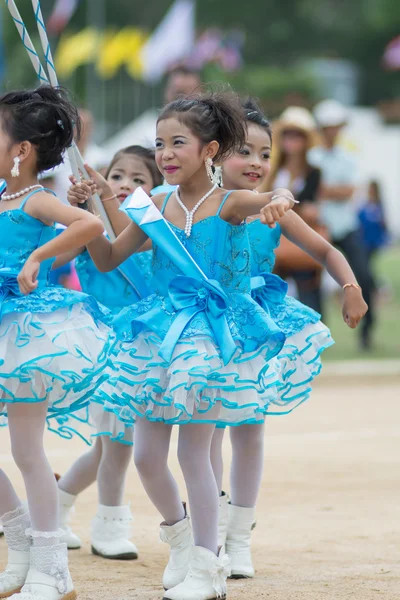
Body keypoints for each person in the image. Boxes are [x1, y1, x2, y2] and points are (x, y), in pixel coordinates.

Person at [78, 91, 366, 600]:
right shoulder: (156, 205)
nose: (164, 153)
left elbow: (291, 223)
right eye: (159, 143)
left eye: (177, 143)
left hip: (212, 340)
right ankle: (185, 542)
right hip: (159, 338)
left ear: (209, 151)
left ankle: (210, 566)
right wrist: (94, 208)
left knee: (196, 453)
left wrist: (349, 285)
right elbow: (105, 258)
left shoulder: (231, 202)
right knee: (145, 455)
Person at [209, 98, 368, 580]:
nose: (256, 163)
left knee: (249, 427)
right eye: (244, 152)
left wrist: (351, 286)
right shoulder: (194, 205)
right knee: (209, 426)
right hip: (207, 322)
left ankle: (238, 537)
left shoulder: (274, 208)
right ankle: (210, 528)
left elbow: (325, 249)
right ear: (213, 155)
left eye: (264, 153)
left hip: (258, 326)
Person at [0, 85, 115, 600]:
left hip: (27, 334)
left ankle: (52, 568)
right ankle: (22, 549)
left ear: (20, 150)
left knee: (28, 453)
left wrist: (35, 258)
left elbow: (88, 222)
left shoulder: (36, 198)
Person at [55, 146, 162, 561]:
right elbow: (58, 256)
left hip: (146, 343)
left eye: (139, 180)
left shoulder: (155, 225)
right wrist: (75, 212)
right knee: (117, 440)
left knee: (107, 445)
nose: (126, 185)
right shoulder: (91, 223)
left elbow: (126, 240)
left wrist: (107, 200)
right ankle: (108, 526)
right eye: (118, 176)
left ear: (157, 190)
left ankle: (53, 506)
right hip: (102, 343)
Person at [310, 99, 375, 349]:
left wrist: (326, 190)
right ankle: (318, 336)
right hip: (319, 227)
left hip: (345, 226)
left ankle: (366, 335)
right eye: (330, 126)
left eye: (337, 126)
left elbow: (348, 191)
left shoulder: (348, 155)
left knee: (364, 277)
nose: (334, 131)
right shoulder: (311, 157)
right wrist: (330, 190)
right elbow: (317, 190)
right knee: (312, 281)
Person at [262, 106, 326, 316]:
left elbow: (311, 207)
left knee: (308, 291)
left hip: (299, 237)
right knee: (269, 292)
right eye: (288, 133)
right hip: (272, 237)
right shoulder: (271, 168)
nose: (292, 139)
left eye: (298, 134)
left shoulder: (313, 172)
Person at [358, 180, 388, 263]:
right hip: (364, 239)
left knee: (372, 262)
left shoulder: (379, 205)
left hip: (374, 240)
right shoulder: (364, 204)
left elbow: (383, 223)